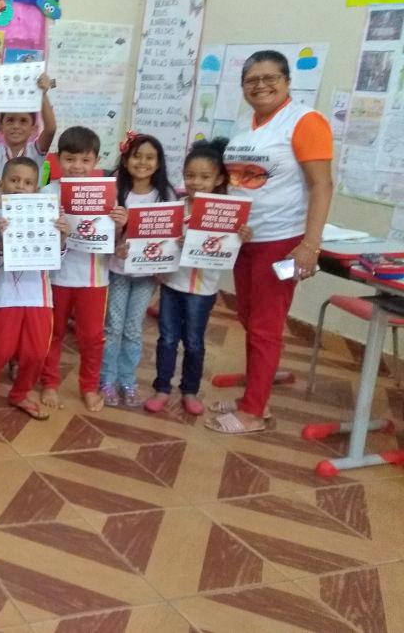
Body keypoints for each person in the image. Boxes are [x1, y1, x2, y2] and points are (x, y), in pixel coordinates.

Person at [207, 50, 333, 434]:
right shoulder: (248, 129)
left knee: (265, 324)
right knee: (248, 316)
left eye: (269, 77)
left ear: (287, 81)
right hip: (245, 239)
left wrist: (310, 245)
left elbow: (322, 185)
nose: (260, 85)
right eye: (251, 80)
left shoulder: (305, 121)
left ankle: (253, 411)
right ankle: (256, 389)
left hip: (282, 240)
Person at [147, 139, 251, 415]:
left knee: (193, 340)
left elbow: (228, 250)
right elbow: (158, 244)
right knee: (167, 338)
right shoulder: (175, 208)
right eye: (190, 176)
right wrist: (171, 245)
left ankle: (190, 390)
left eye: (205, 177)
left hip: (204, 289)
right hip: (172, 283)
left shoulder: (227, 212)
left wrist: (240, 238)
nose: (196, 182)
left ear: (218, 179)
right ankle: (161, 388)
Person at [40, 126, 127, 412]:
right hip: (56, 276)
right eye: (70, 159)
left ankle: (89, 386)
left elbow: (114, 242)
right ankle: (49, 382)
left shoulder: (107, 194)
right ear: (58, 159)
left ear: (96, 161)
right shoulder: (47, 192)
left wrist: (119, 224)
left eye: (85, 160)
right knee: (53, 333)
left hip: (94, 277)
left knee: (91, 336)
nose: (77, 167)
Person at [100, 133, 176, 408]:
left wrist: (172, 246)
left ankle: (128, 380)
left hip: (146, 276)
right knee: (113, 326)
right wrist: (116, 242)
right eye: (136, 156)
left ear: (158, 163)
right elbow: (99, 231)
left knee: (133, 329)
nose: (142, 162)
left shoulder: (165, 194)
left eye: (149, 157)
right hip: (118, 271)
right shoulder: (114, 190)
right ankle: (106, 380)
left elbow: (169, 234)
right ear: (126, 158)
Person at [0, 157, 57, 419]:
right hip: (5, 296)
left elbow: (57, 258)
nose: (20, 187)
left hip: (39, 296)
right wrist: (0, 239)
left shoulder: (48, 214)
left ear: (36, 189)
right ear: (2, 184)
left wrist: (63, 235)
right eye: (14, 181)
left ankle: (20, 393)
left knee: (36, 352)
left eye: (27, 183)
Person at [0, 72, 56, 186]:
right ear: (0, 127)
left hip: (28, 204)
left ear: (34, 129)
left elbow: (50, 129)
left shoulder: (35, 152)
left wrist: (42, 94)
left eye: (23, 121)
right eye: (10, 120)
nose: (16, 126)